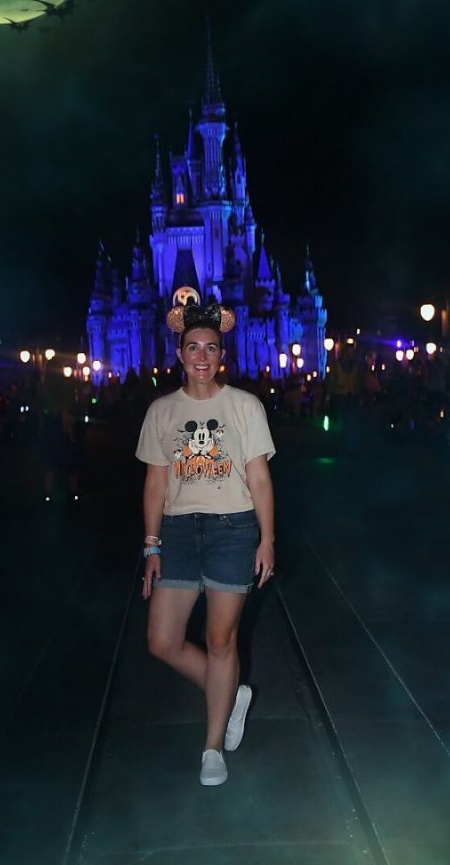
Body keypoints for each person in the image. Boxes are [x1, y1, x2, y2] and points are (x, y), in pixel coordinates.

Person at [135, 302, 276, 786]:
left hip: (232, 529)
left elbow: (259, 477)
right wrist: (152, 546)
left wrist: (267, 538)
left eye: (210, 348)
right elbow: (155, 484)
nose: (202, 355)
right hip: (177, 531)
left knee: (221, 640)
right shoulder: (162, 411)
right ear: (178, 353)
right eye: (193, 347)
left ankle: (212, 746)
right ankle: (230, 692)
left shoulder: (243, 406)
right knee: (162, 641)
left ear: (221, 355)